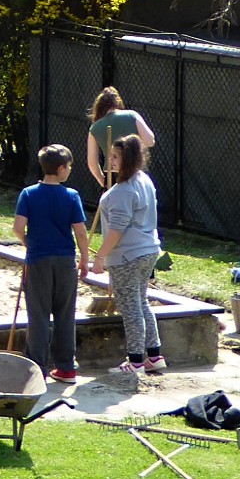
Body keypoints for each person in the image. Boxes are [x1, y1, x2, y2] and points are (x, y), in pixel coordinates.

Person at [13, 145, 90, 384]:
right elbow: (80, 231)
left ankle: (37, 369)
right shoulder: (72, 195)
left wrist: (28, 243)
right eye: (69, 166)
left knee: (38, 314)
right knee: (65, 314)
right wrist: (84, 258)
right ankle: (66, 368)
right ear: (62, 168)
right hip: (65, 260)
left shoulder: (28, 194)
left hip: (38, 259)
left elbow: (18, 227)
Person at [91, 134, 165, 374]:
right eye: (110, 156)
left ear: (129, 159)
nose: (110, 161)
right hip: (148, 250)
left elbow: (117, 230)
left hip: (127, 255)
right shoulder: (144, 180)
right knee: (141, 302)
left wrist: (100, 256)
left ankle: (135, 362)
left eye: (116, 157)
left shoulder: (122, 191)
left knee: (130, 307)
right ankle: (154, 355)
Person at [86, 86, 155, 189]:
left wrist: (104, 182)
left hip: (112, 174)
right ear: (118, 103)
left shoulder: (95, 128)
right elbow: (150, 141)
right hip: (134, 171)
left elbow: (92, 163)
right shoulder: (132, 115)